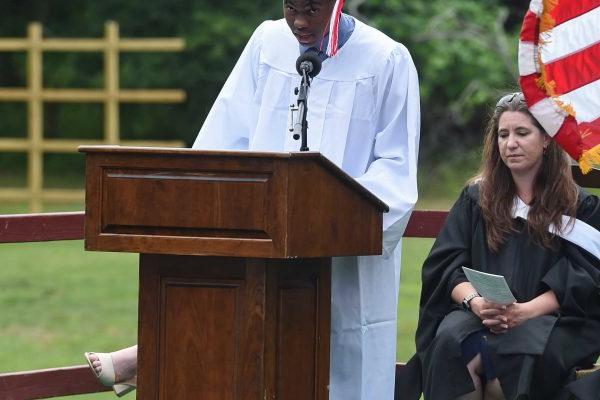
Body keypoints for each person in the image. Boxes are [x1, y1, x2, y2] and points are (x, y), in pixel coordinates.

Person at [85, 1, 421, 398]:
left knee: (341, 365)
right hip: (262, 240)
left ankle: (147, 353)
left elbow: (395, 170)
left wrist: (328, 220)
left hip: (343, 260)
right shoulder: (267, 43)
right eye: (290, 7)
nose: (298, 21)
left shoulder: (386, 60)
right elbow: (224, 139)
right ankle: (154, 349)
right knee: (254, 346)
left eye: (311, 9)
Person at [396, 92, 600, 400]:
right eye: (503, 135)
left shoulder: (577, 207)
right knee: (451, 341)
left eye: (522, 133)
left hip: (549, 318)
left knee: (523, 352)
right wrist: (476, 302)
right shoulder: (477, 199)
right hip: (479, 311)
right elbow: (446, 264)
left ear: (546, 139)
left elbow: (583, 277)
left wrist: (525, 311)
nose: (510, 143)